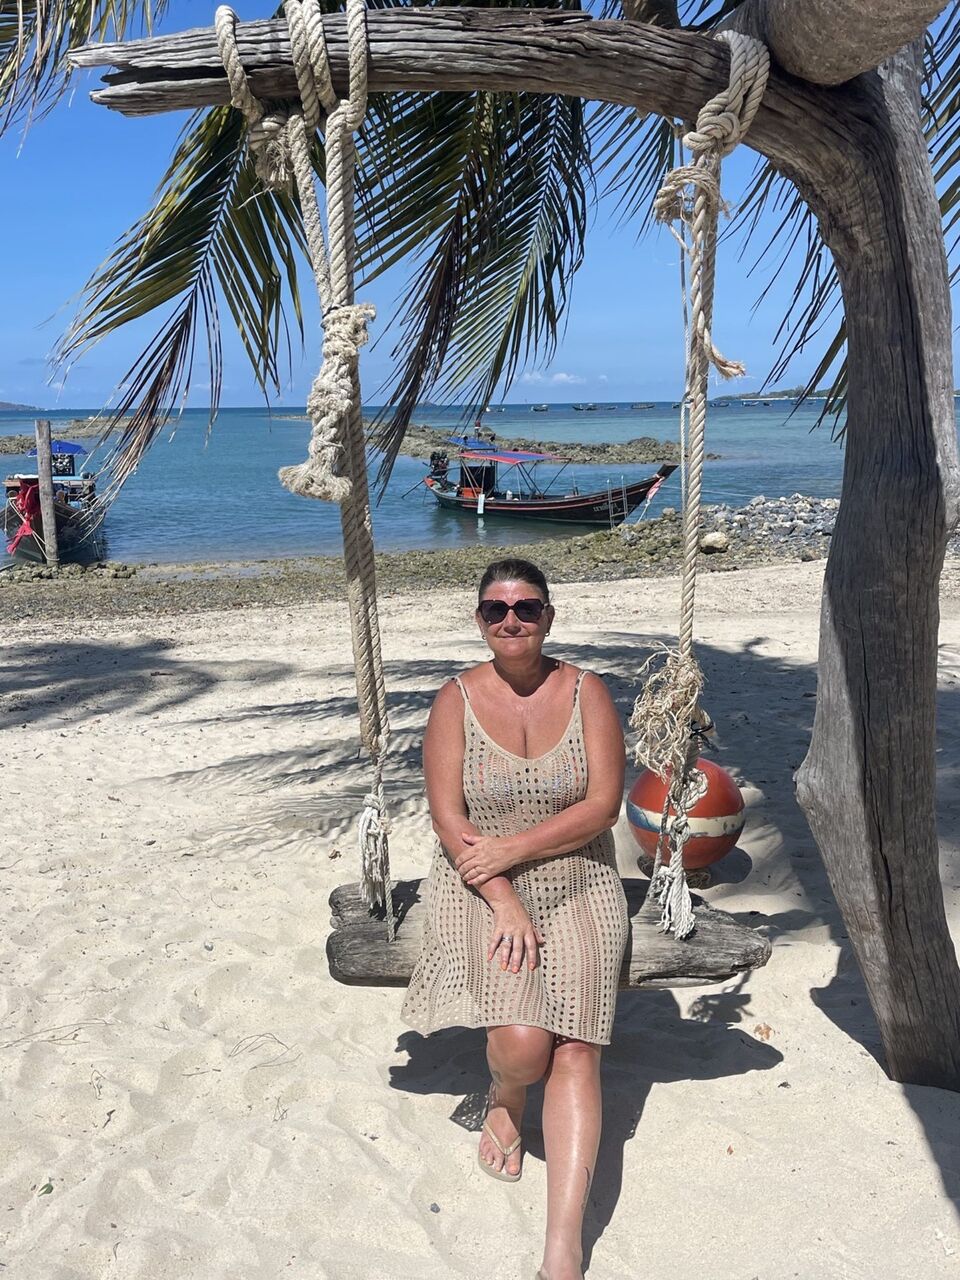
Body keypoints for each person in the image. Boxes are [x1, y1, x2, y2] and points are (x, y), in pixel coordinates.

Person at [402, 558, 628, 1280]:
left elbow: (602, 808)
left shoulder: (588, 692)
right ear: (478, 619)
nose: (511, 621)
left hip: (581, 875)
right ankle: (504, 1094)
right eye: (497, 609)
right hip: (477, 882)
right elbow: (449, 820)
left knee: (576, 1047)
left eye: (527, 608)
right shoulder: (455, 699)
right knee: (527, 1047)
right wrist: (502, 891)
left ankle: (561, 1249)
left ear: (549, 616)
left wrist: (519, 846)